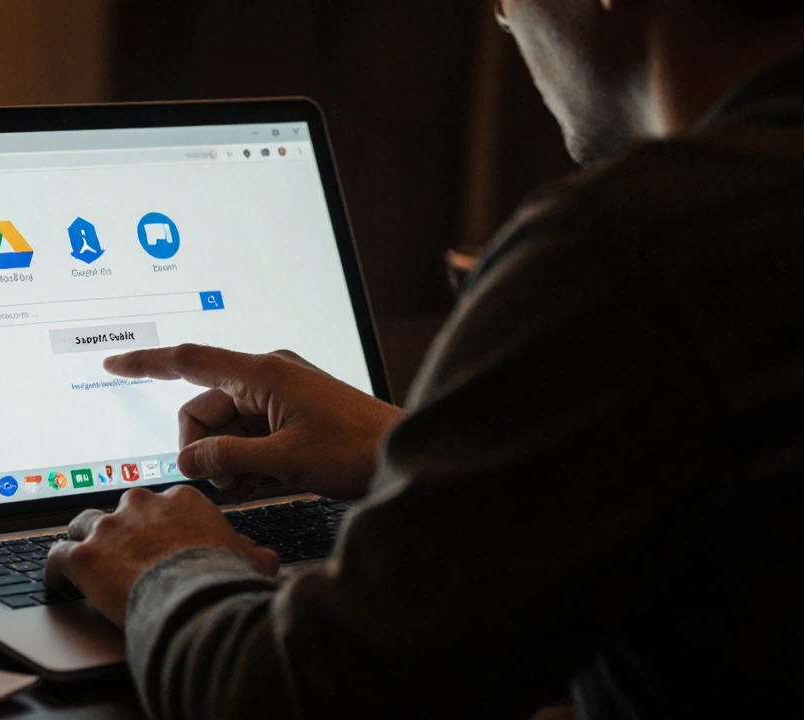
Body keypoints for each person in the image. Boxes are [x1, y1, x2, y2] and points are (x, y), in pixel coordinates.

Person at [44, 1, 804, 717]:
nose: (503, 15)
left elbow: (299, 694)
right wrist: (421, 447)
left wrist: (164, 565)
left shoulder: (626, 246)